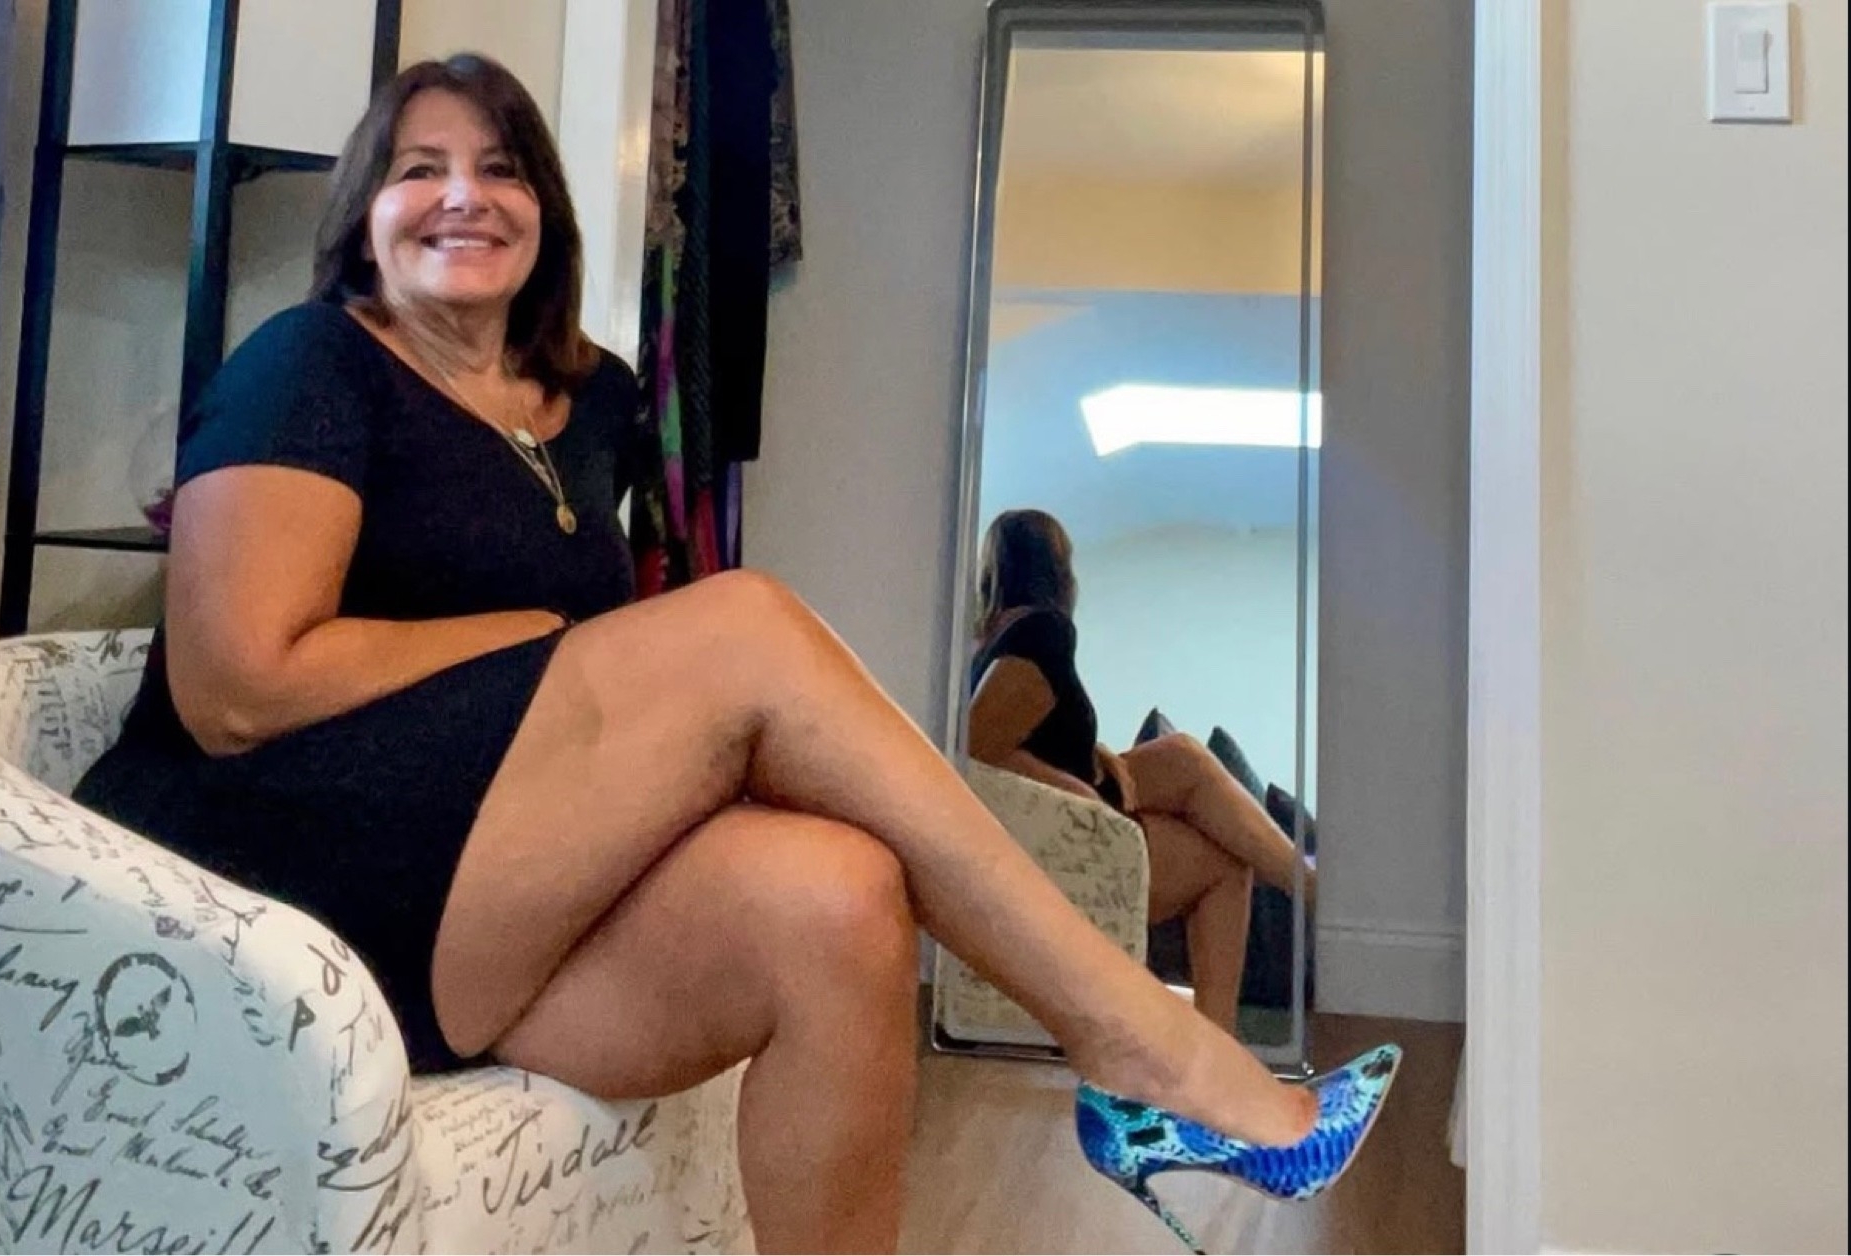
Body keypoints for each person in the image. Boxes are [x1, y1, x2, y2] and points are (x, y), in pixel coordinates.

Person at [72, 55, 1393, 1254]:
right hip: (278, 890)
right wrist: (523, 636)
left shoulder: (590, 401)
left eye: (500, 167)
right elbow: (235, 688)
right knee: (746, 622)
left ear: (545, 213)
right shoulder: (310, 361)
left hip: (477, 901)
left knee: (839, 898)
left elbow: (572, 701)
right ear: (363, 212)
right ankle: (1138, 1042)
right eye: (420, 169)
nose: (462, 195)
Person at [966, 508, 1315, 1031]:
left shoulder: (992, 641)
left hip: (1065, 813)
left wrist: (1098, 753)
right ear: (1057, 569)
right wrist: (1075, 791)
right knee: (1227, 863)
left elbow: (1021, 736)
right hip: (1072, 834)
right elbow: (975, 747)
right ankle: (1302, 901)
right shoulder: (1043, 630)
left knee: (1184, 755)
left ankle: (1302, 886)